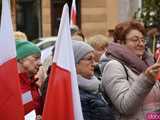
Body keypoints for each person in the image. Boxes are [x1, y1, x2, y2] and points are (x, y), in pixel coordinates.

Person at [102, 20, 160, 120]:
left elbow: (153, 106)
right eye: (135, 40)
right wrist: (146, 79)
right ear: (121, 43)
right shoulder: (114, 66)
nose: (141, 44)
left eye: (142, 40)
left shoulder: (148, 63)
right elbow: (125, 106)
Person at [72, 41, 115, 120]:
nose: (94, 63)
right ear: (75, 63)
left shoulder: (96, 86)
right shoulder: (76, 96)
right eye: (89, 59)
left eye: (94, 59)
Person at [16, 40, 46, 119]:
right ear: (20, 59)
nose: (40, 63)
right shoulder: (10, 86)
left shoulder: (34, 84)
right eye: (36, 58)